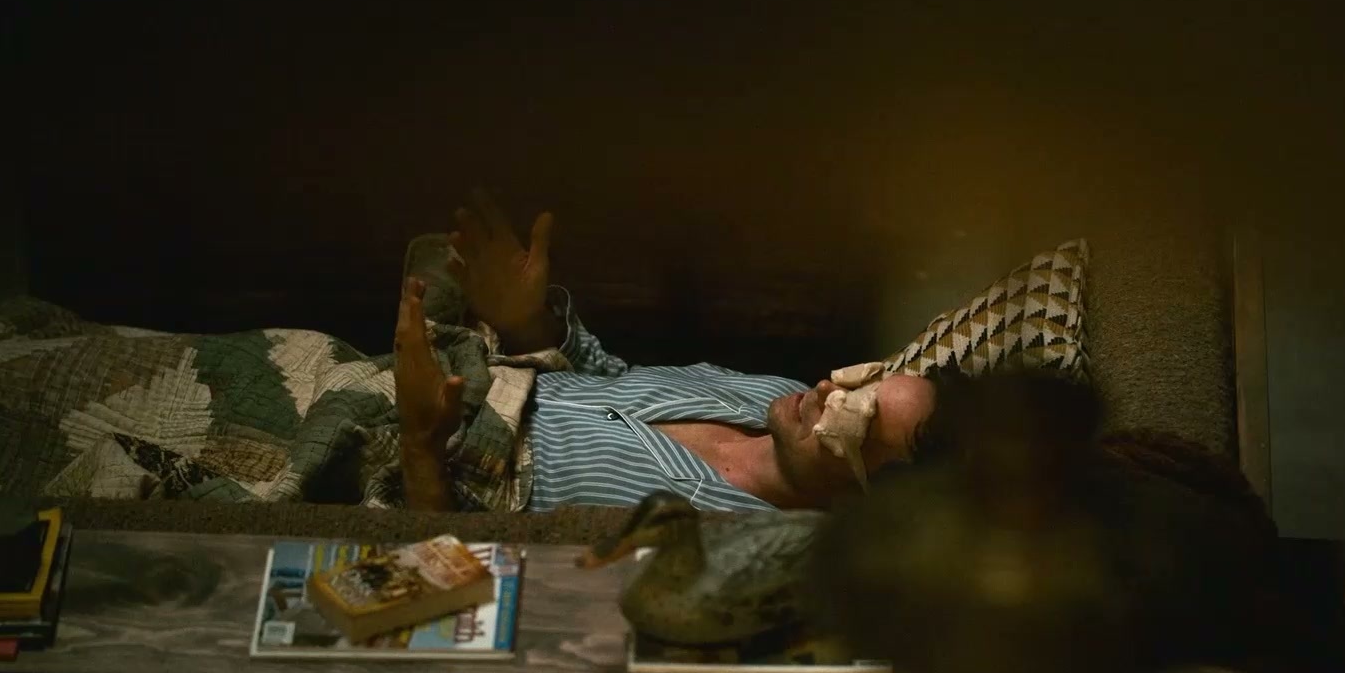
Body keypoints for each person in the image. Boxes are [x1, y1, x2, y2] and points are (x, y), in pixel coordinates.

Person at [392, 190, 938, 513]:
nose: (824, 389)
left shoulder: (717, 541)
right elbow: (614, 380)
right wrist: (525, 321)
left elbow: (451, 569)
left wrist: (420, 447)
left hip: (405, 459)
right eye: (857, 382)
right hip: (446, 367)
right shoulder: (776, 397)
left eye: (855, 416)